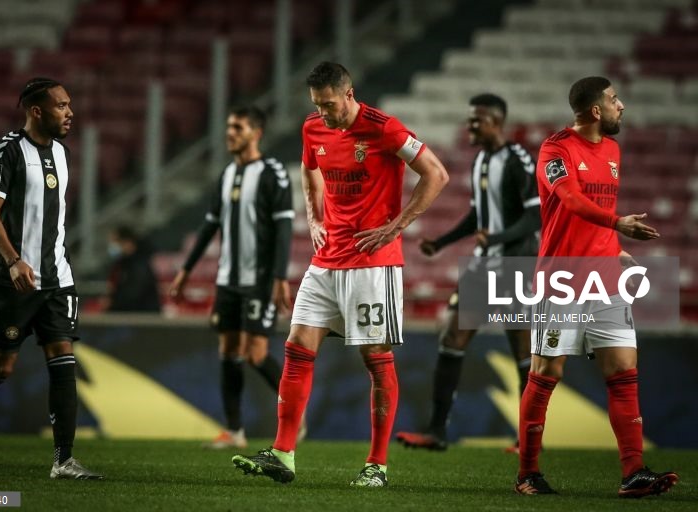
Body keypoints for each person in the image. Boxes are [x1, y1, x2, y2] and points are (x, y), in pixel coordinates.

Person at [231, 61, 449, 487]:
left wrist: (395, 227)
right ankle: (283, 454)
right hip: (327, 260)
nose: (324, 114)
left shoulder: (384, 128)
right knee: (296, 347)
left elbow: (436, 174)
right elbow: (309, 172)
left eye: (329, 105)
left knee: (375, 359)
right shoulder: (313, 129)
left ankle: (377, 466)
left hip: (373, 262)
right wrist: (314, 219)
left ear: (349, 95)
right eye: (317, 106)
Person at [514, 76, 677, 497]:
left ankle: (633, 473)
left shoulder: (612, 150)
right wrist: (617, 223)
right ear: (594, 111)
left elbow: (598, 208)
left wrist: (614, 244)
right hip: (562, 279)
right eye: (614, 99)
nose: (621, 106)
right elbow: (570, 201)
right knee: (546, 372)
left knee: (623, 369)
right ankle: (528, 473)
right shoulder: (556, 149)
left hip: (606, 276)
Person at [0, 77, 103, 480]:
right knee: (0, 367)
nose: (70, 112)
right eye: (61, 105)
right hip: (12, 279)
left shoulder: (62, 153)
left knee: (62, 358)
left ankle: (63, 460)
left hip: (57, 279)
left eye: (69, 104)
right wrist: (14, 261)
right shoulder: (7, 150)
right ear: (36, 111)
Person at [396, 94, 540, 452]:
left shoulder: (518, 159)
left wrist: (500, 237)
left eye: (476, 120)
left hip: (515, 262)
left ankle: (529, 440)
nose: (470, 125)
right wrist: (442, 242)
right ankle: (436, 431)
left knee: (521, 347)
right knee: (452, 336)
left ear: (495, 121)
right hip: (483, 262)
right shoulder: (481, 162)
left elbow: (536, 217)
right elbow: (478, 217)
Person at [170, 105, 295, 449]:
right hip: (228, 279)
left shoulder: (273, 173)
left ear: (256, 133)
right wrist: (185, 270)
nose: (230, 133)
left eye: (237, 128)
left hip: (259, 278)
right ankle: (235, 431)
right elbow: (210, 224)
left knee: (255, 353)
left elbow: (284, 227)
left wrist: (280, 277)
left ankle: (296, 412)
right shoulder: (226, 174)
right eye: (228, 127)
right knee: (227, 350)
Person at [105, 224, 161, 312]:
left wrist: (113, 303)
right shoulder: (123, 264)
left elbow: (134, 294)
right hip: (126, 316)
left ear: (128, 242)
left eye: (116, 242)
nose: (113, 246)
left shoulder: (140, 265)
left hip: (140, 318)